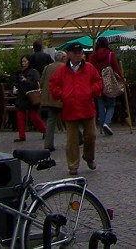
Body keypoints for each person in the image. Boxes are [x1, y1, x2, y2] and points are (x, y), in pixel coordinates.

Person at [49, 43, 102, 173]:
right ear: (69, 55)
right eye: (75, 53)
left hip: (87, 107)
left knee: (91, 135)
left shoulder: (89, 68)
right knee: (72, 140)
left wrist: (91, 91)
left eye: (80, 52)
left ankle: (89, 157)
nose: (78, 55)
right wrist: (63, 95)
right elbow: (53, 85)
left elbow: (98, 82)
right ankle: (73, 166)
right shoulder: (62, 71)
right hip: (70, 108)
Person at [87, 36, 123, 136]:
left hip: (97, 83)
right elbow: (116, 68)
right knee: (111, 104)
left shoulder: (92, 56)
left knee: (100, 105)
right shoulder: (110, 55)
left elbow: (89, 69)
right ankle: (107, 123)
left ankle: (103, 125)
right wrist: (121, 77)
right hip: (108, 83)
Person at [13, 54, 47, 143]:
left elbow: (36, 84)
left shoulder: (33, 72)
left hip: (31, 96)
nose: (23, 63)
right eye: (22, 61)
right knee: (20, 115)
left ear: (29, 62)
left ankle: (45, 131)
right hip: (22, 96)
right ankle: (21, 136)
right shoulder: (20, 72)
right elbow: (17, 83)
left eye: (25, 61)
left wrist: (26, 81)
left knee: (33, 116)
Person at [39, 51, 66, 153]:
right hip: (61, 97)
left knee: (51, 121)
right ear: (63, 58)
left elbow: (41, 82)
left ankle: (48, 144)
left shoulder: (47, 67)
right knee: (68, 119)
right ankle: (79, 138)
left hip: (50, 98)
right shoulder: (65, 67)